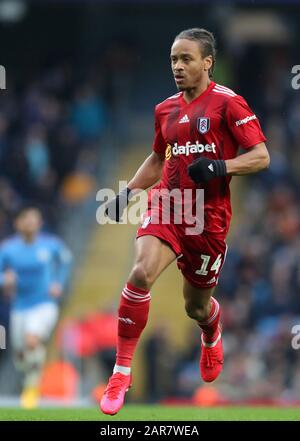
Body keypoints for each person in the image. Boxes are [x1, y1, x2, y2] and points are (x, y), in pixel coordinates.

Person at [100, 28, 270, 415]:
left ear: (207, 62)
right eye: (174, 59)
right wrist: (128, 193)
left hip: (209, 218)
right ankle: (121, 372)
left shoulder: (229, 104)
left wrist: (221, 166)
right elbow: (158, 158)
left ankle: (211, 328)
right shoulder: (165, 109)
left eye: (186, 59)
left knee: (195, 306)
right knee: (140, 273)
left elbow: (261, 156)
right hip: (171, 203)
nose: (178, 66)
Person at [0, 207, 72, 408]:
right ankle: (31, 375)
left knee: (32, 340)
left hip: (44, 304)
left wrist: (59, 282)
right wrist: (4, 279)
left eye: (35, 219)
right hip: (19, 306)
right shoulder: (8, 249)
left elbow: (66, 261)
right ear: (18, 223)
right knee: (21, 354)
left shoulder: (51, 245)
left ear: (40, 223)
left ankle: (32, 387)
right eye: (26, 219)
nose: (31, 223)